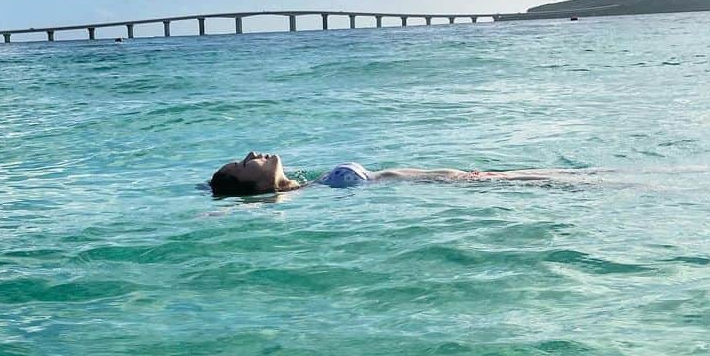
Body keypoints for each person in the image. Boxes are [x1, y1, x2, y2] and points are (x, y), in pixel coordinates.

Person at [207, 151, 561, 197]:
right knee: (563, 183)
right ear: (255, 186)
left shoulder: (307, 184)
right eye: (241, 164)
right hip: (457, 182)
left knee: (563, 175)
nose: (251, 154)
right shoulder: (302, 196)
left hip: (464, 175)